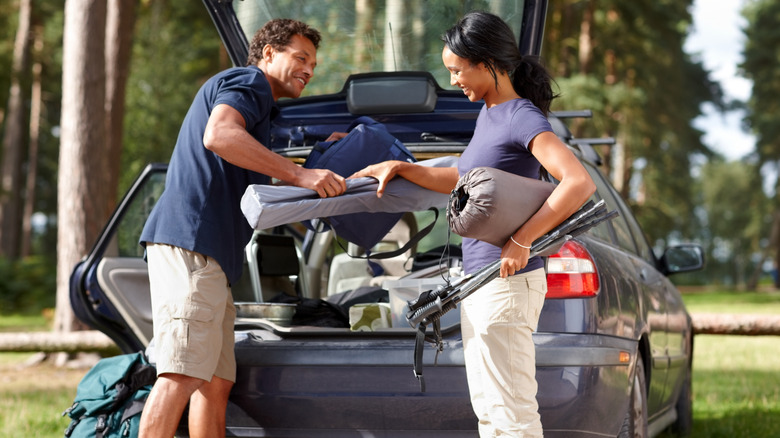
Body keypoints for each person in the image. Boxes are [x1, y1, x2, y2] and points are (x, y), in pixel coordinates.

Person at [351, 11, 596, 438]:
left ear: (484, 62)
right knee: (489, 411)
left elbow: (578, 182)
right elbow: (460, 178)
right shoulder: (489, 114)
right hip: (480, 281)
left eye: (456, 70)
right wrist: (402, 167)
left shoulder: (520, 115)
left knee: (511, 411)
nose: (453, 81)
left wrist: (523, 239)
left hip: (507, 282)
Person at [137, 19, 347, 438]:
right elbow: (219, 135)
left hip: (211, 256)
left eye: (314, 63)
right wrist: (301, 176)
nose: (309, 69)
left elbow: (253, 170)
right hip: (193, 244)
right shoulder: (249, 80)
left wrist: (322, 154)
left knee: (214, 383)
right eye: (300, 58)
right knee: (181, 373)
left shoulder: (261, 110)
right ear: (268, 53)